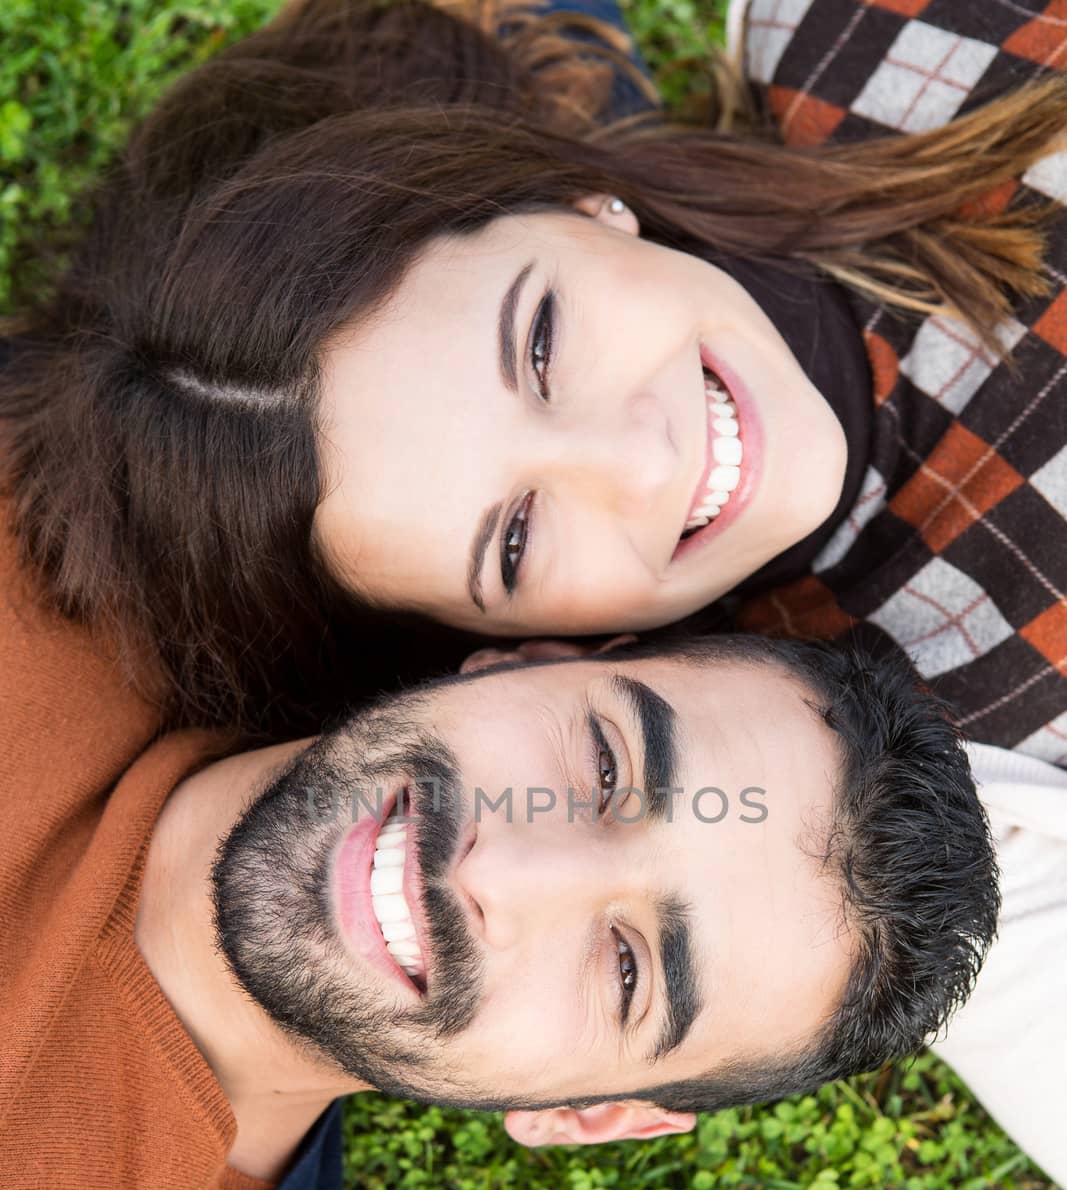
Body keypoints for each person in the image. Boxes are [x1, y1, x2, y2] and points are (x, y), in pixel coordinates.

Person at [0, 507, 996, 1190]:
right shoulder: (53, 521)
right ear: (525, 658)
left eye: (627, 971)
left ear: (588, 1113)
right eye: (608, 764)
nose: (504, 873)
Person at [2, 0, 1066, 746]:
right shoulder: (951, 754)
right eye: (512, 540)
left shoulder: (864, 29)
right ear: (515, 644)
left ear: (571, 197)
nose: (640, 461)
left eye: (541, 341)